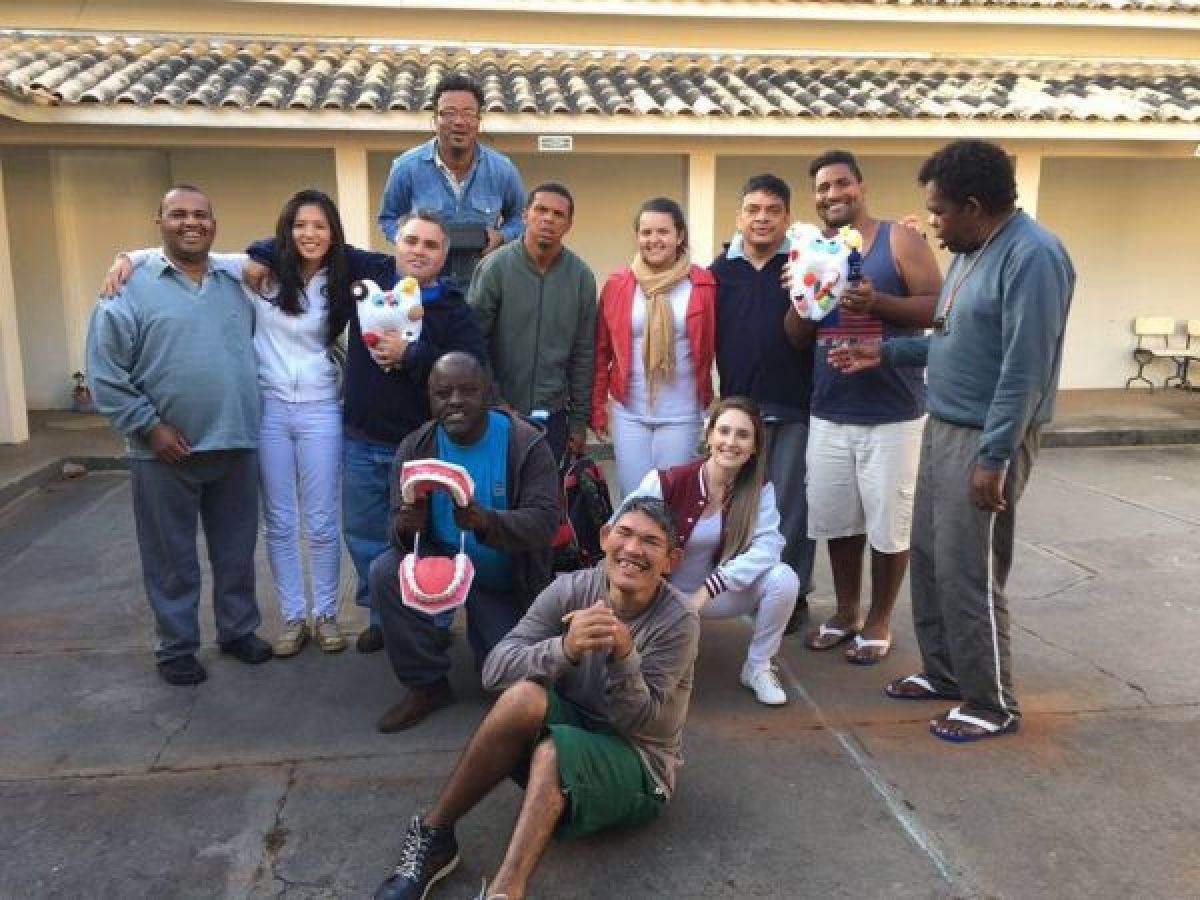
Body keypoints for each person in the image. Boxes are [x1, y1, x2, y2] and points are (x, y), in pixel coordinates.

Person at [830, 139, 1075, 742]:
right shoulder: (970, 253)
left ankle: (992, 702)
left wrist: (995, 456)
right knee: (932, 559)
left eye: (939, 212)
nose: (932, 225)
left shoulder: (1033, 256)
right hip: (942, 424)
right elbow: (946, 337)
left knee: (970, 570)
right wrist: (883, 351)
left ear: (973, 206)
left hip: (987, 435)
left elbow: (1025, 368)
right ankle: (944, 672)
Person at [371, 496, 699, 900]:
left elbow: (640, 723)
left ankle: (505, 892)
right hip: (573, 732)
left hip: (638, 763)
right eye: (624, 533)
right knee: (523, 697)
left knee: (555, 752)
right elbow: (495, 670)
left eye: (650, 542)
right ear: (604, 537)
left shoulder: (678, 620)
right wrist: (565, 649)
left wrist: (624, 655)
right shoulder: (571, 589)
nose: (633, 549)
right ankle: (434, 835)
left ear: (671, 560)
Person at [246, 210, 487, 654]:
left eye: (431, 245)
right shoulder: (369, 270)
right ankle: (381, 614)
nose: (419, 251)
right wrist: (261, 254)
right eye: (411, 241)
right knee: (364, 535)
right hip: (362, 440)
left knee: (430, 536)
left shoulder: (454, 308)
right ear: (396, 241)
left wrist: (413, 354)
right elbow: (310, 239)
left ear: (444, 255)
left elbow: (473, 370)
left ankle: (433, 619)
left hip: (424, 445)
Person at [86, 185, 272, 685]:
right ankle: (175, 648)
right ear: (159, 222)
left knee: (236, 552)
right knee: (171, 559)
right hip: (164, 454)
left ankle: (238, 630)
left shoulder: (234, 282)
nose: (192, 223)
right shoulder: (127, 289)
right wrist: (149, 427)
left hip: (235, 442)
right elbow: (105, 374)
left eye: (201, 215)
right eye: (178, 214)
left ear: (214, 223)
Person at [783, 151, 943, 665]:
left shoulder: (899, 239)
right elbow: (796, 337)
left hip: (893, 412)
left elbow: (937, 309)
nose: (832, 194)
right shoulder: (812, 249)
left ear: (861, 186)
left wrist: (878, 303)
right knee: (838, 521)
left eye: (841, 183)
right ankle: (846, 612)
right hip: (830, 409)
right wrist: (804, 293)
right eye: (823, 187)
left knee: (889, 525)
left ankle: (879, 619)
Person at [370, 353, 559, 732]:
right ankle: (426, 684)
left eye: (467, 391)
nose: (455, 401)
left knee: (513, 685)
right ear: (429, 398)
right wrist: (407, 527)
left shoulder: (526, 444)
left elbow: (544, 523)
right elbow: (395, 528)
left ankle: (489, 638)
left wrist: (486, 521)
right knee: (385, 571)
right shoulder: (416, 447)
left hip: (505, 578)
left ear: (486, 393)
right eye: (443, 393)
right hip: (441, 559)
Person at [624, 397, 798, 706]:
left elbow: (770, 546)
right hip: (660, 593)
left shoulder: (759, 489)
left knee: (783, 579)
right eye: (724, 431)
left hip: (713, 594)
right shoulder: (667, 481)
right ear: (709, 436)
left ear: (755, 447)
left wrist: (709, 589)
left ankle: (758, 666)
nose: (731, 442)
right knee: (645, 683)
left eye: (743, 435)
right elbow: (621, 530)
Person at [710, 174, 814, 630]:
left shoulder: (802, 265)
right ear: (739, 217)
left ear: (787, 219)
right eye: (753, 210)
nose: (762, 218)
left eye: (773, 211)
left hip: (792, 405)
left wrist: (804, 285)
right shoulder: (719, 273)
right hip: (739, 413)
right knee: (741, 508)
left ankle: (793, 595)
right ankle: (748, 590)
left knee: (791, 508)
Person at [592, 197, 717, 496]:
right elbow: (601, 350)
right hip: (629, 411)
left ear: (680, 236)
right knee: (634, 497)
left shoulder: (702, 284)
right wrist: (597, 408)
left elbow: (715, 343)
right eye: (646, 232)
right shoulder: (618, 283)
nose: (654, 240)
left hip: (682, 412)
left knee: (671, 499)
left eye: (663, 231)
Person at [469, 182, 597, 464]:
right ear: (525, 215)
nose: (548, 219)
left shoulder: (581, 278)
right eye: (541, 210)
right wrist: (495, 401)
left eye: (558, 214)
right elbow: (474, 343)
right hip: (498, 414)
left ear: (569, 224)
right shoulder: (494, 269)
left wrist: (578, 422)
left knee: (546, 490)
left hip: (553, 417)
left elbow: (584, 353)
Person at [378, 73, 525, 285]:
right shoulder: (406, 167)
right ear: (434, 120)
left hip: (482, 285)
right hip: (425, 287)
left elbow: (520, 219)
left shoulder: (503, 170)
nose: (458, 121)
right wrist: (412, 242)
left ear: (479, 121)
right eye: (448, 113)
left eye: (468, 113)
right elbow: (388, 218)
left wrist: (501, 236)